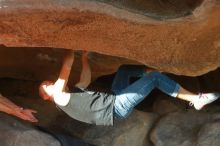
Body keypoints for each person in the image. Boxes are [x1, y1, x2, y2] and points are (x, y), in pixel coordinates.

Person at [39, 51, 220, 126]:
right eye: (45, 87)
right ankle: (196, 100)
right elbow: (66, 69)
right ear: (47, 98)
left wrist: (84, 58)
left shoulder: (73, 94)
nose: (49, 84)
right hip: (116, 107)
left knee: (124, 71)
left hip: (114, 97)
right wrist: (70, 49)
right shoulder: (61, 100)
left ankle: (160, 70)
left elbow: (84, 80)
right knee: (154, 79)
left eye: (47, 82)